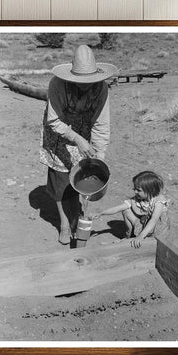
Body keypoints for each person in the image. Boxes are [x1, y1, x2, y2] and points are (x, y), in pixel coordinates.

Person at [39, 44, 118, 245]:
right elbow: (54, 121)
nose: (86, 85)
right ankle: (64, 223)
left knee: (81, 173)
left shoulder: (101, 88)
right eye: (81, 81)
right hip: (59, 131)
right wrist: (77, 139)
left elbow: (101, 123)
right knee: (60, 179)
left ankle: (77, 215)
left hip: (84, 130)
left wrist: (99, 156)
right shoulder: (57, 85)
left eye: (89, 81)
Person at [91, 171, 170, 248]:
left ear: (150, 190)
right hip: (145, 224)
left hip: (157, 230)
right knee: (126, 211)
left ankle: (132, 240)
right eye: (134, 189)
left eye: (138, 190)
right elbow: (119, 208)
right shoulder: (139, 199)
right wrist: (101, 213)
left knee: (148, 243)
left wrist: (141, 236)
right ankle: (130, 235)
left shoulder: (159, 201)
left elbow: (154, 219)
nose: (135, 192)